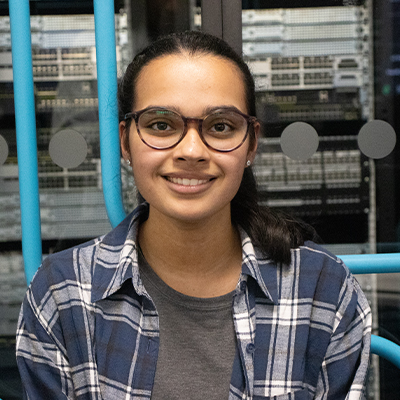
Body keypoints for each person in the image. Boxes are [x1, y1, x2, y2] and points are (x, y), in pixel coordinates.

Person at [16, 31, 371, 400]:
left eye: (220, 127)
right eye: (161, 125)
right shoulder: (62, 293)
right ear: (125, 141)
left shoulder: (323, 291)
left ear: (251, 143)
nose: (190, 150)